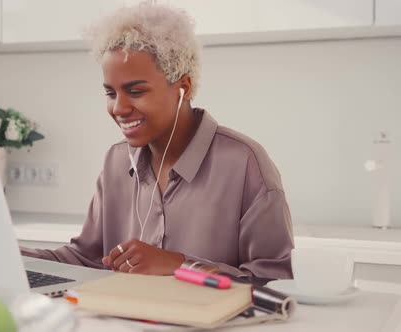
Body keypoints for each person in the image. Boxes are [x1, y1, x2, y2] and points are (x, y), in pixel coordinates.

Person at [21, 3, 294, 279]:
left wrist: (180, 265)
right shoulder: (116, 161)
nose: (119, 108)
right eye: (110, 93)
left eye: (136, 91)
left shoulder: (245, 163)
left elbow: (274, 280)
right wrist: (10, 252)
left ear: (183, 88)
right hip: (124, 320)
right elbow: (83, 258)